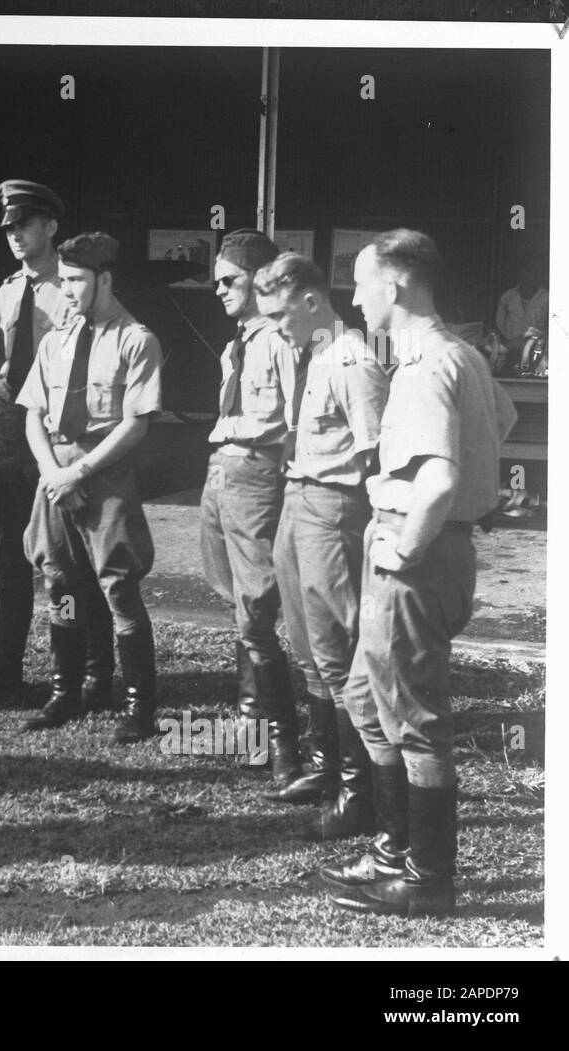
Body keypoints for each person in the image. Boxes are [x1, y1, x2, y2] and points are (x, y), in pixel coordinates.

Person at [322, 229, 516, 917]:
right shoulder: (459, 356)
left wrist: (407, 545)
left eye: (360, 281)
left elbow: (437, 477)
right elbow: (503, 418)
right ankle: (392, 848)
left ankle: (427, 877)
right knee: (364, 699)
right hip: (431, 549)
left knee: (415, 719)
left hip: (414, 556)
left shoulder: (429, 363)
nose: (353, 296)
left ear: (395, 284)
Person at [0, 180, 115, 710]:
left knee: (76, 557)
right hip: (13, 430)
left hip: (62, 431)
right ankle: (5, 666)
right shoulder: (9, 288)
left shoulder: (75, 283)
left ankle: (91, 674)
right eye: (7, 228)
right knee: (10, 552)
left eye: (23, 225)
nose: (14, 236)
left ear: (50, 227)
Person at [254, 253, 388, 833]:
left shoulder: (352, 358)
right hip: (299, 497)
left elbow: (374, 451)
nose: (276, 327)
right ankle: (327, 767)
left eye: (281, 314)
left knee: (336, 647)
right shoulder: (316, 351)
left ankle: (360, 795)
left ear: (311, 301)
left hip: (335, 507)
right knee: (306, 643)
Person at [17, 232, 162, 740]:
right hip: (55, 475)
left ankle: (139, 706)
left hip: (106, 474)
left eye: (77, 280)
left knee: (118, 585)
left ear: (104, 279)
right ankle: (67, 690)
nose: (68, 290)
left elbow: (135, 424)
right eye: (63, 280)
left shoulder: (135, 340)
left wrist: (78, 474)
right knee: (60, 581)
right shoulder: (55, 341)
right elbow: (33, 413)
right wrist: (53, 474)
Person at [199, 229, 305, 784]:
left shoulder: (279, 340)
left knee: (257, 607)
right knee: (232, 592)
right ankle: (251, 720)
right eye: (216, 281)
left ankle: (282, 742)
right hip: (223, 472)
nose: (218, 290)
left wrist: (230, 432)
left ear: (259, 279)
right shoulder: (234, 343)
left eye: (229, 280)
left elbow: (290, 419)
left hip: (256, 473)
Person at [493, 255, 548, 375]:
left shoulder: (546, 297)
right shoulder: (508, 296)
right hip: (510, 351)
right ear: (522, 273)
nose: (533, 275)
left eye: (537, 271)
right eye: (530, 270)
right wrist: (510, 339)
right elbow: (499, 322)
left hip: (536, 353)